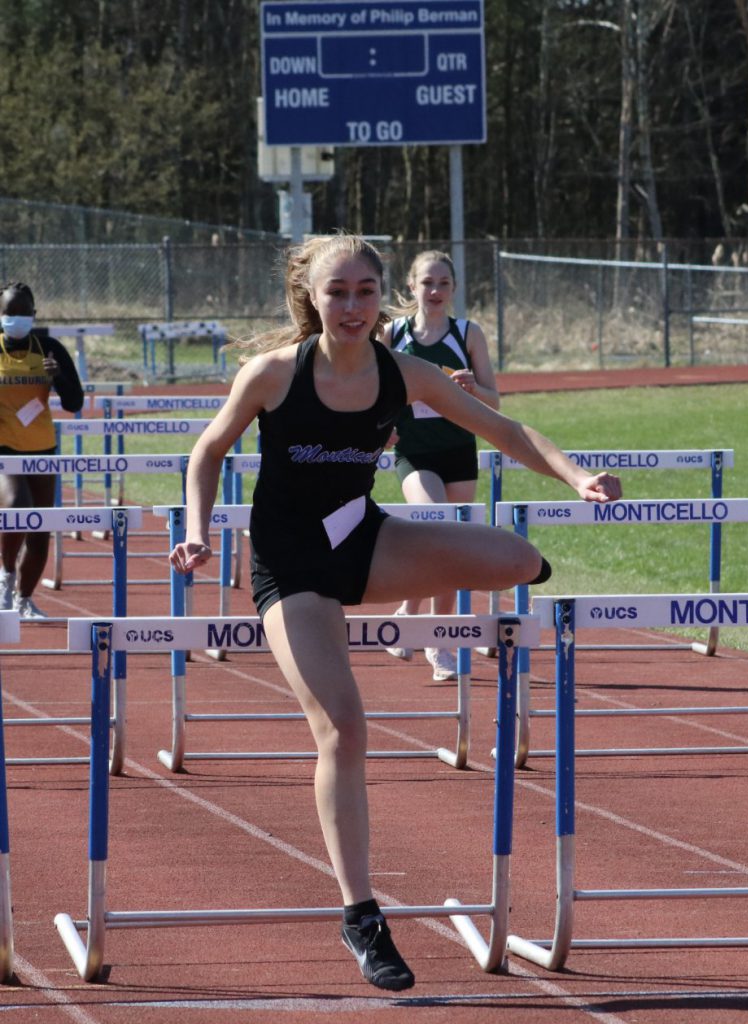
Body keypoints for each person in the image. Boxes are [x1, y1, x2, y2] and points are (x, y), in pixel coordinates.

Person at [169, 234, 621, 992]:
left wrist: (578, 476)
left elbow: (503, 431)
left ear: (387, 299)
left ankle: (443, 611)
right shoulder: (275, 374)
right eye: (337, 292)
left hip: (364, 543)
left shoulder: (402, 373)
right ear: (312, 298)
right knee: (343, 727)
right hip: (293, 566)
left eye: (365, 292)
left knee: (515, 559)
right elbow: (208, 451)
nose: (351, 306)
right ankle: (362, 916)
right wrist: (194, 529)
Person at [380, 250, 499, 679]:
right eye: (427, 283)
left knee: (448, 544)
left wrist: (472, 388)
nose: (434, 291)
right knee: (439, 527)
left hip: (458, 451)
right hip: (414, 452)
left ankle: (414, 618)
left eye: (443, 284)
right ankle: (439, 646)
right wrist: (380, 431)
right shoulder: (392, 333)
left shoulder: (468, 333)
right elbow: (372, 388)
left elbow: (494, 399)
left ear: (453, 289)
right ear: (412, 287)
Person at [0, 282, 84, 618]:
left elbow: (74, 401)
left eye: (23, 312)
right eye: (10, 312)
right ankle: (5, 578)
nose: (17, 318)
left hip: (42, 448)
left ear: (34, 315)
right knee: (19, 505)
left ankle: (24, 599)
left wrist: (58, 376)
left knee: (39, 529)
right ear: (0, 315)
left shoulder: (49, 348)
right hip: (3, 449)